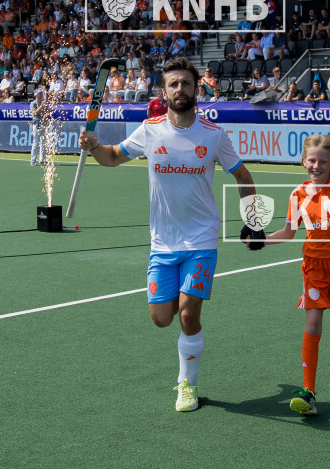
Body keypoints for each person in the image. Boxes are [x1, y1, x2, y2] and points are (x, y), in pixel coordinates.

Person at [78, 57, 258, 412]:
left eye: (186, 83)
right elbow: (112, 157)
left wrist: (253, 220)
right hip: (162, 243)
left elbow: (243, 176)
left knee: (189, 315)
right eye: (173, 84)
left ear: (196, 89)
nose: (180, 89)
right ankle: (183, 299)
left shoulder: (213, 134)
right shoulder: (150, 130)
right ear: (164, 91)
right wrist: (94, 146)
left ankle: (187, 384)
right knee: (161, 319)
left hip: (202, 239)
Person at [244, 135, 330, 415]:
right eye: (311, 160)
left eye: (322, 161)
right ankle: (308, 392)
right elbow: (288, 233)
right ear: (303, 162)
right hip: (314, 268)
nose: (316, 166)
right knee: (312, 322)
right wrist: (261, 241)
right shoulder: (298, 194)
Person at [30, 89, 48, 165]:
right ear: (36, 95)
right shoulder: (33, 103)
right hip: (37, 124)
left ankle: (42, 159)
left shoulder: (43, 103)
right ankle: (33, 160)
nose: (41, 95)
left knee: (43, 143)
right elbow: (35, 113)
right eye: (40, 94)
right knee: (36, 143)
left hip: (43, 123)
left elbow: (47, 112)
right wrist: (41, 106)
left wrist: (47, 107)